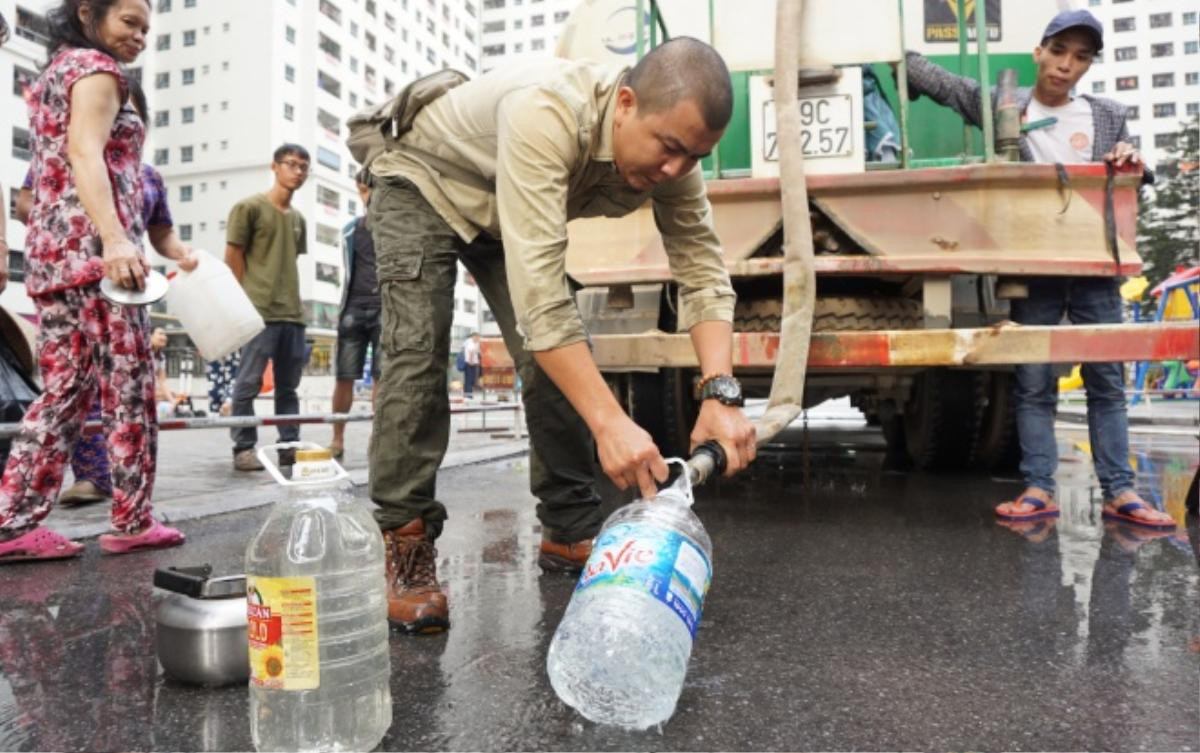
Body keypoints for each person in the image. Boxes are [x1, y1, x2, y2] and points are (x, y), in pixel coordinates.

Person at [367, 37, 756, 633]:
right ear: (625, 103)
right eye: (670, 149)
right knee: (418, 357)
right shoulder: (546, 112)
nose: (675, 170)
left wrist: (720, 394)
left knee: (566, 363)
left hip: (505, 206)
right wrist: (611, 424)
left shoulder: (674, 154)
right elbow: (541, 306)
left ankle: (568, 529)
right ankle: (408, 540)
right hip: (424, 183)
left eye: (694, 156)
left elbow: (702, 269)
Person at [903, 9, 1173, 529]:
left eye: (1080, 57)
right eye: (1058, 52)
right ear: (1038, 52)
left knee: (1107, 381)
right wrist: (887, 51)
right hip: (1035, 264)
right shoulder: (1006, 106)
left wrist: (1129, 157)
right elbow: (935, 80)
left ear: (1088, 65)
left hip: (1095, 264)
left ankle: (1121, 492)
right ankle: (1037, 487)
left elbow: (1140, 172)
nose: (1066, 65)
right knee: (1032, 382)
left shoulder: (1108, 114)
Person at [0, 0, 189, 561]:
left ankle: (10, 522)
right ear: (89, 13)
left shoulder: (56, 70)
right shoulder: (96, 69)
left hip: (56, 259)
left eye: (147, 27)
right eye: (128, 22)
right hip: (102, 261)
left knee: (63, 396)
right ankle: (132, 519)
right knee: (129, 389)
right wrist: (116, 240)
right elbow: (85, 153)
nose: (140, 36)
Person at [15, 78, 195, 506]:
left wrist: (185, 256)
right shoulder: (68, 155)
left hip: (127, 288)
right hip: (73, 281)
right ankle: (74, 485)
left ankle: (128, 506)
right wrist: (85, 229)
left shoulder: (149, 176)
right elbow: (27, 204)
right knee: (72, 388)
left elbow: (162, 233)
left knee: (127, 394)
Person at [224, 144, 309, 472]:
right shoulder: (249, 208)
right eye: (291, 164)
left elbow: (290, 261)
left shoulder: (299, 219)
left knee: (289, 388)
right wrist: (237, 305)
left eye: (304, 167)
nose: (297, 172)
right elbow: (233, 257)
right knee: (247, 383)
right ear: (275, 167)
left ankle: (288, 446)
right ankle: (243, 448)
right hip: (258, 312)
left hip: (293, 314)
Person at [327, 174, 380, 460]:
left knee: (381, 379)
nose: (367, 194)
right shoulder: (350, 230)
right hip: (352, 309)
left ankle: (378, 440)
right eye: (363, 188)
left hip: (383, 308)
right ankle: (337, 439)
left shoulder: (392, 229)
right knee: (344, 377)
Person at [461, 332, 481, 399]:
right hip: (470, 363)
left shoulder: (475, 343)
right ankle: (469, 394)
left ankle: (467, 393)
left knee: (469, 379)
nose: (478, 338)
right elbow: (471, 352)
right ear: (473, 337)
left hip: (472, 363)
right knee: (470, 379)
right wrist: (470, 361)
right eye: (477, 337)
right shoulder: (471, 343)